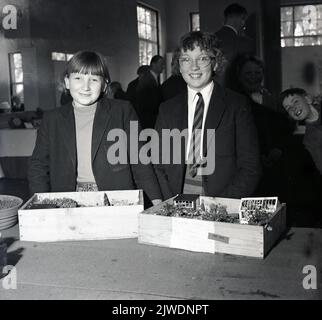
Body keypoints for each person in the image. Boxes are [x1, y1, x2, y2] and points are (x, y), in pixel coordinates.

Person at [28, 50, 162, 206]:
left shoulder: (122, 111)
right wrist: (41, 204)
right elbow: (38, 166)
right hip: (66, 201)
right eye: (78, 78)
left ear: (104, 84)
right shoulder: (52, 119)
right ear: (67, 82)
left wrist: (156, 202)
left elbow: (140, 161)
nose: (86, 87)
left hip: (115, 200)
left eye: (93, 79)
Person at [154, 31, 261, 200]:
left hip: (223, 202)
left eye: (202, 58)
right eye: (186, 59)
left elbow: (250, 167)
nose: (193, 67)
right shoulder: (167, 109)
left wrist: (220, 207)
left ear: (215, 64)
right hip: (177, 202)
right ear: (179, 66)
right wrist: (172, 203)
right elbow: (158, 165)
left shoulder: (237, 105)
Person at [233, 55, 291, 197]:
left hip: (274, 170)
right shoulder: (235, 103)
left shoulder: (273, 100)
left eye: (257, 73)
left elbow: (284, 130)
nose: (253, 77)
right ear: (239, 77)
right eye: (248, 73)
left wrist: (278, 149)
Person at [281, 88, 322, 175]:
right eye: (288, 108)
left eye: (295, 101)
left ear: (308, 99)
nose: (293, 108)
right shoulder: (309, 141)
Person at [215, 3, 255, 87]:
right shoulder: (244, 42)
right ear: (239, 18)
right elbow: (248, 72)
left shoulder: (211, 39)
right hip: (235, 91)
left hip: (214, 90)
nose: (243, 24)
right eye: (243, 19)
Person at [136, 55, 165, 128]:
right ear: (153, 64)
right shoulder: (147, 80)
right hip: (148, 120)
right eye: (161, 64)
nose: (163, 66)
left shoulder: (151, 78)